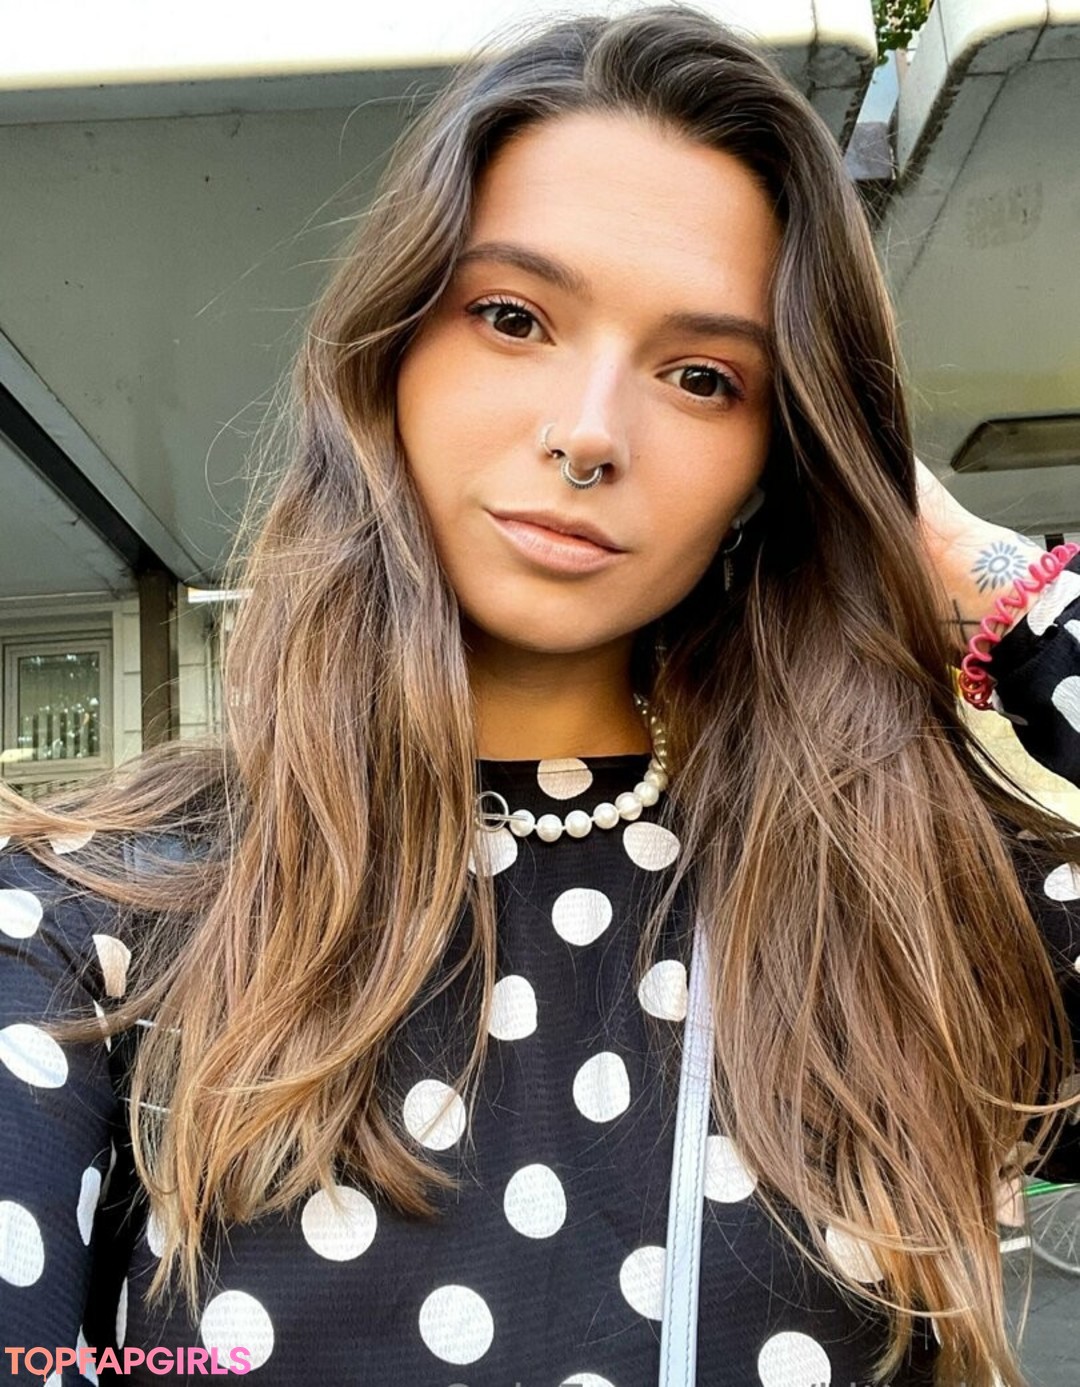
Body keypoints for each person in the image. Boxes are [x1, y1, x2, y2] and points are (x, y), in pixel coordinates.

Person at [1, 8, 1079, 1386]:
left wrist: (968, 560)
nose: (588, 433)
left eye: (703, 378)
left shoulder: (912, 900)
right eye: (512, 317)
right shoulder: (92, 920)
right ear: (390, 350)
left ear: (779, 454)